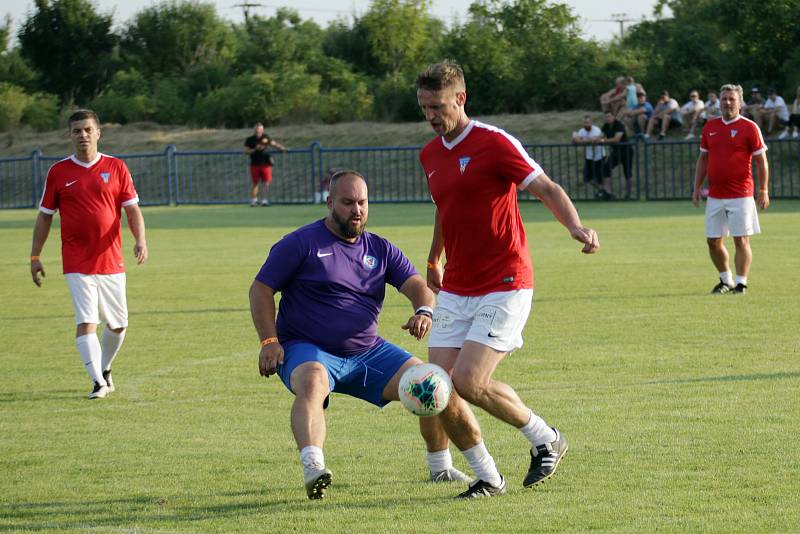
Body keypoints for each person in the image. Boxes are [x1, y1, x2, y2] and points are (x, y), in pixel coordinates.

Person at [416, 60, 599, 498]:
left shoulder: (494, 142)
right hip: (458, 286)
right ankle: (488, 477)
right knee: (434, 388)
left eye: (438, 106)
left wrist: (574, 226)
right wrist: (434, 258)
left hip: (505, 280)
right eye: (424, 107)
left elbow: (546, 187)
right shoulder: (430, 154)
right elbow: (447, 208)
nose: (431, 116)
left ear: (461, 98)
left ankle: (545, 437)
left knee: (469, 381)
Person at [249, 169, 469, 500]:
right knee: (312, 381)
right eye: (348, 202)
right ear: (329, 203)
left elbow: (418, 288)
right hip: (308, 349)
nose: (357, 210)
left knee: (431, 382)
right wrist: (269, 341)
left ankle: (439, 467)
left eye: (362, 202)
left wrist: (424, 311)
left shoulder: (380, 249)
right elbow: (261, 289)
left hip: (367, 352)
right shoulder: (300, 243)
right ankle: (314, 467)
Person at [30, 109, 148, 399]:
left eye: (87, 130)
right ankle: (97, 381)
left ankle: (104, 368)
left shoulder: (117, 167)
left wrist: (140, 240)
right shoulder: (58, 172)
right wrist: (35, 256)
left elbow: (132, 209)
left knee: (118, 324)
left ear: (98, 133)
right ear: (70, 135)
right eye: (76, 131)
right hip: (76, 260)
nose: (82, 135)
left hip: (111, 258)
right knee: (86, 321)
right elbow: (45, 216)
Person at [692, 84, 769, 295]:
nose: (727, 102)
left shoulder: (750, 127)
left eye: (731, 99)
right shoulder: (710, 127)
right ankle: (726, 280)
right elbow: (703, 158)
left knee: (740, 239)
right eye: (724, 98)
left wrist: (763, 189)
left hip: (741, 194)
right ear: (719, 101)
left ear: (740, 102)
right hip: (715, 195)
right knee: (713, 241)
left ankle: (741, 283)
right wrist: (697, 186)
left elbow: (762, 161)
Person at [244, 123, 287, 206]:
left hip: (266, 163)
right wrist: (255, 149)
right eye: (257, 129)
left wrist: (282, 148)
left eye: (260, 129)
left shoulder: (266, 137)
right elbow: (246, 151)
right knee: (255, 183)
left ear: (262, 130)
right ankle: (254, 200)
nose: (258, 131)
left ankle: (264, 200)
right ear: (255, 130)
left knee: (266, 182)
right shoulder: (250, 139)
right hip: (255, 164)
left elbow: (274, 144)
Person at [572, 115, 611, 199]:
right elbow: (576, 140)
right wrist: (586, 140)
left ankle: (605, 193)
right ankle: (603, 191)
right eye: (585, 122)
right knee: (587, 177)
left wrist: (584, 140)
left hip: (599, 156)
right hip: (589, 157)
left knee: (600, 176)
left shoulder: (596, 130)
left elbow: (595, 140)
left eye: (588, 122)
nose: (586, 124)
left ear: (591, 123)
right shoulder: (582, 131)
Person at [600, 110, 634, 199]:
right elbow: (601, 137)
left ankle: (629, 194)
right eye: (606, 117)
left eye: (609, 116)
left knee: (627, 172)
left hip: (626, 151)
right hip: (615, 152)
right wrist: (594, 140)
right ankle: (608, 193)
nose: (608, 118)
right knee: (606, 168)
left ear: (613, 117)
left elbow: (616, 139)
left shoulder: (619, 125)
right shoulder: (605, 126)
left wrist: (603, 141)